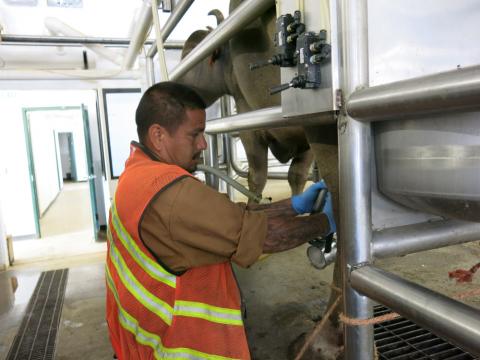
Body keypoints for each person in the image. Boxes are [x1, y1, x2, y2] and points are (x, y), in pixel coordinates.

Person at [105, 81, 336, 360]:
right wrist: (328, 221)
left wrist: (294, 205)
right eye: (195, 134)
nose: (203, 144)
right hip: (178, 349)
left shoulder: (139, 176)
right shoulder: (172, 194)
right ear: (158, 136)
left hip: (140, 341)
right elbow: (267, 236)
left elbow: (230, 219)